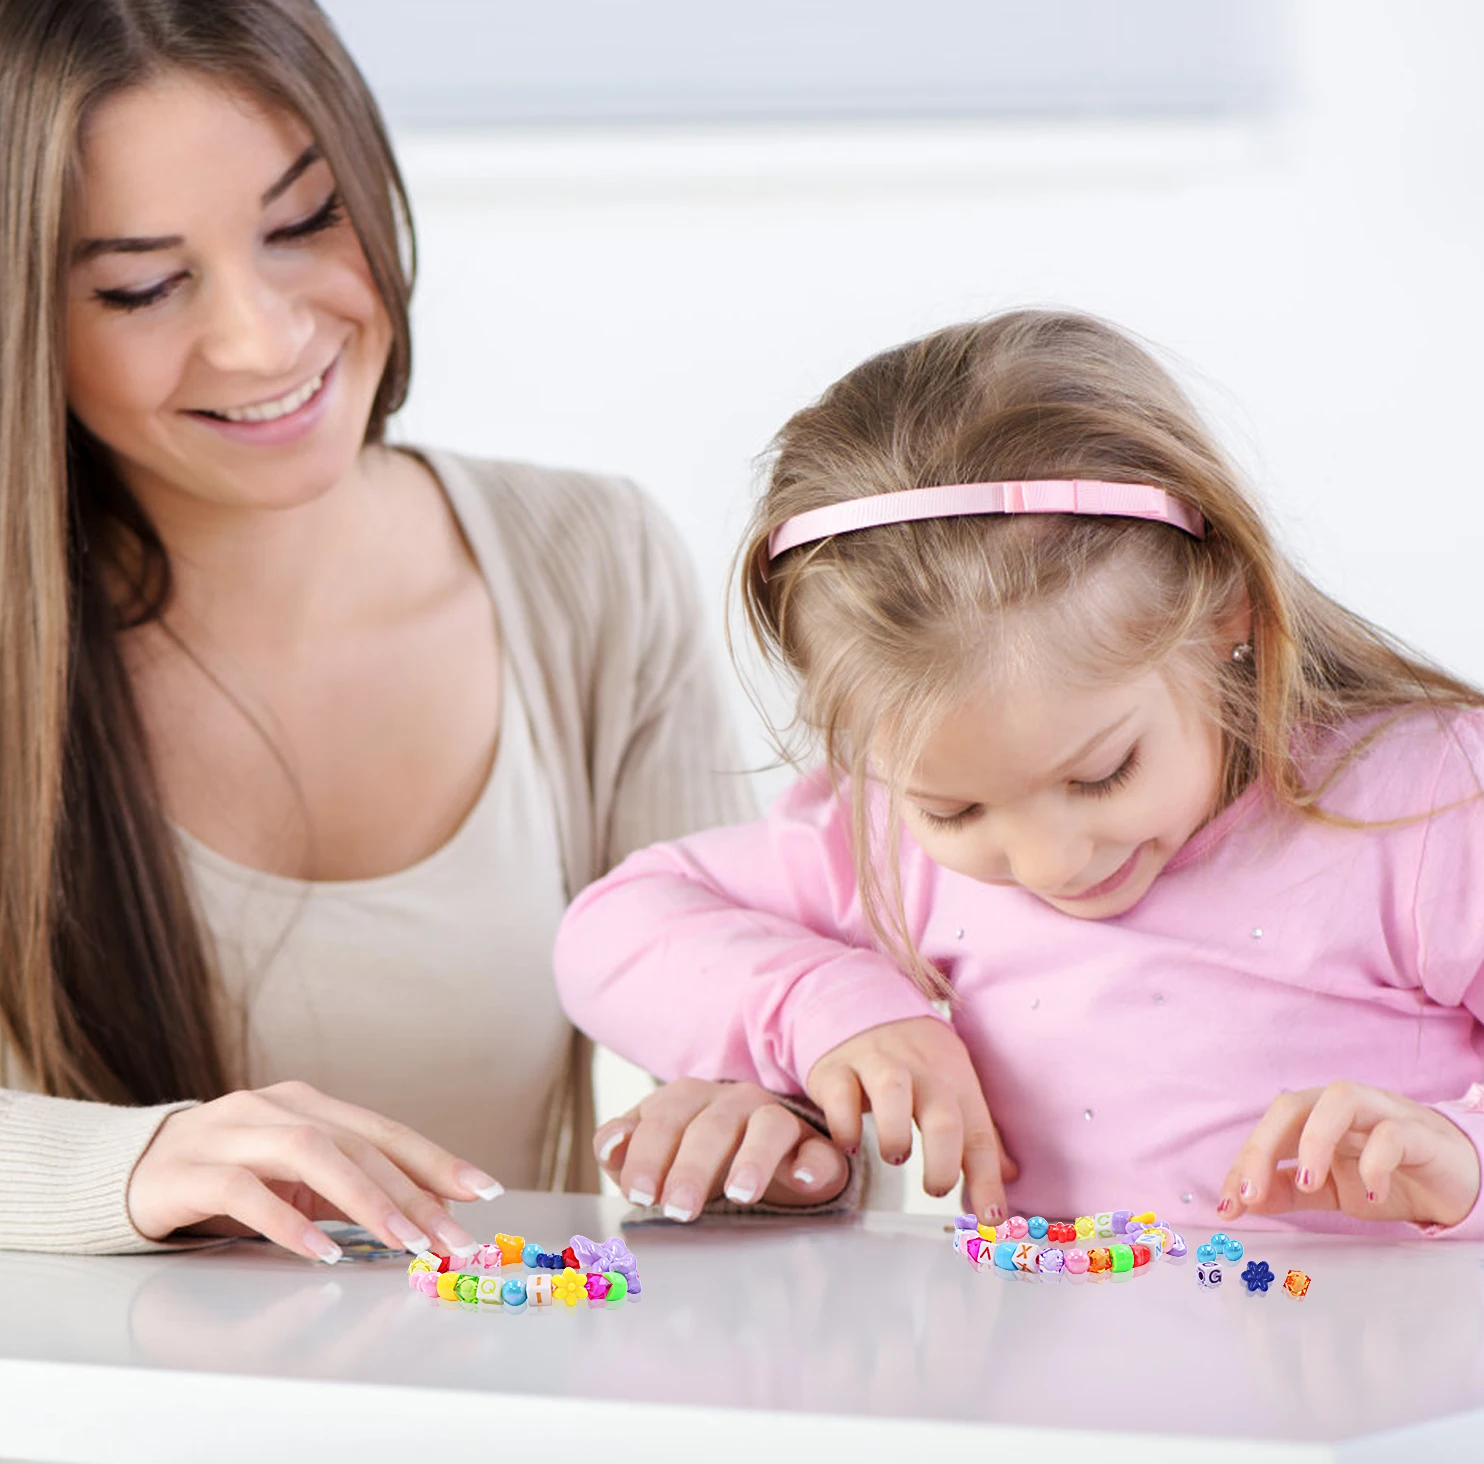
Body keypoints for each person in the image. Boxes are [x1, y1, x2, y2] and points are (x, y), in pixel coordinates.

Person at [0, 0, 852, 1264]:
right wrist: (135, 1162)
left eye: (305, 223)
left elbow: (748, 1040)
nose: (262, 336)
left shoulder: (588, 567)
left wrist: (768, 1135)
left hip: (500, 1439)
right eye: (144, 286)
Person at [556, 309, 1484, 1237]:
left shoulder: (1430, 798)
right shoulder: (883, 844)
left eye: (1102, 773)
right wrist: (829, 1006)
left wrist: (1464, 1164)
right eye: (954, 810)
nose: (1048, 864)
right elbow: (609, 932)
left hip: (1374, 1376)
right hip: (1040, 1376)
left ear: (1227, 615)